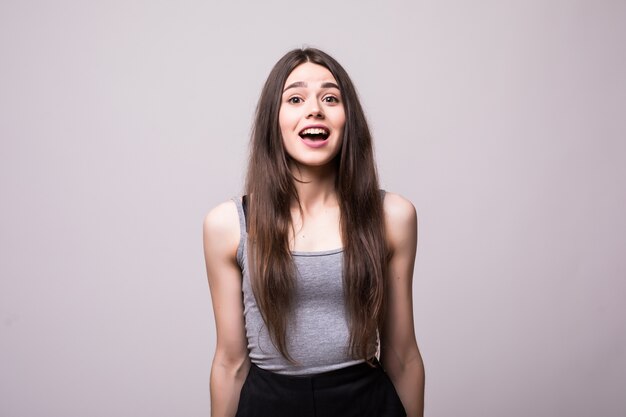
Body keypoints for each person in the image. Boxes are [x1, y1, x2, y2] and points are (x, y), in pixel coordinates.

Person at [203, 47, 425, 417]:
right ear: (274, 121)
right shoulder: (227, 225)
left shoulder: (392, 216)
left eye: (330, 98)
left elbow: (403, 357)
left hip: (366, 404)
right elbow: (229, 363)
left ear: (347, 118)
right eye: (295, 98)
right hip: (268, 405)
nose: (314, 109)